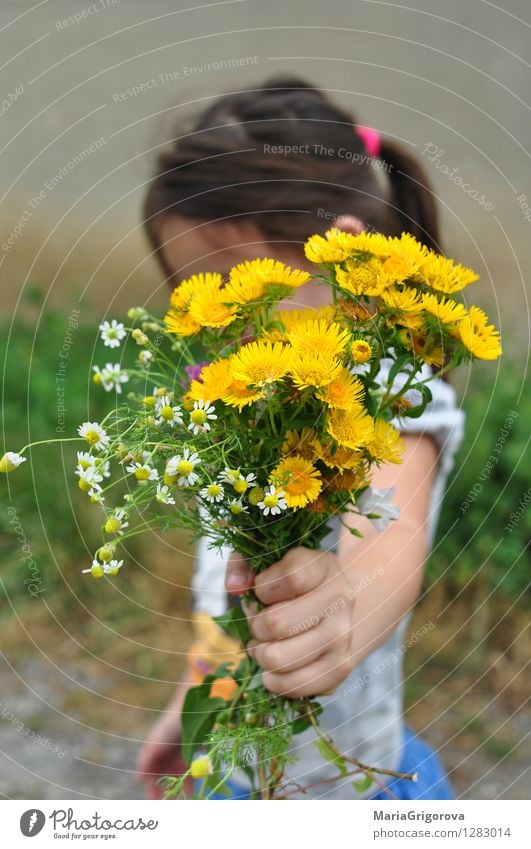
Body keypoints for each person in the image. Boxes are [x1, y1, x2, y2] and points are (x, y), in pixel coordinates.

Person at [136, 76, 464, 800]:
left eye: (240, 296)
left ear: (340, 258)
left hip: (350, 793)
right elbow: (228, 592)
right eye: (194, 306)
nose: (223, 334)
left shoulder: (389, 402)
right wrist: (189, 707)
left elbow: (387, 530)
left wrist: (342, 605)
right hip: (235, 771)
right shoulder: (243, 415)